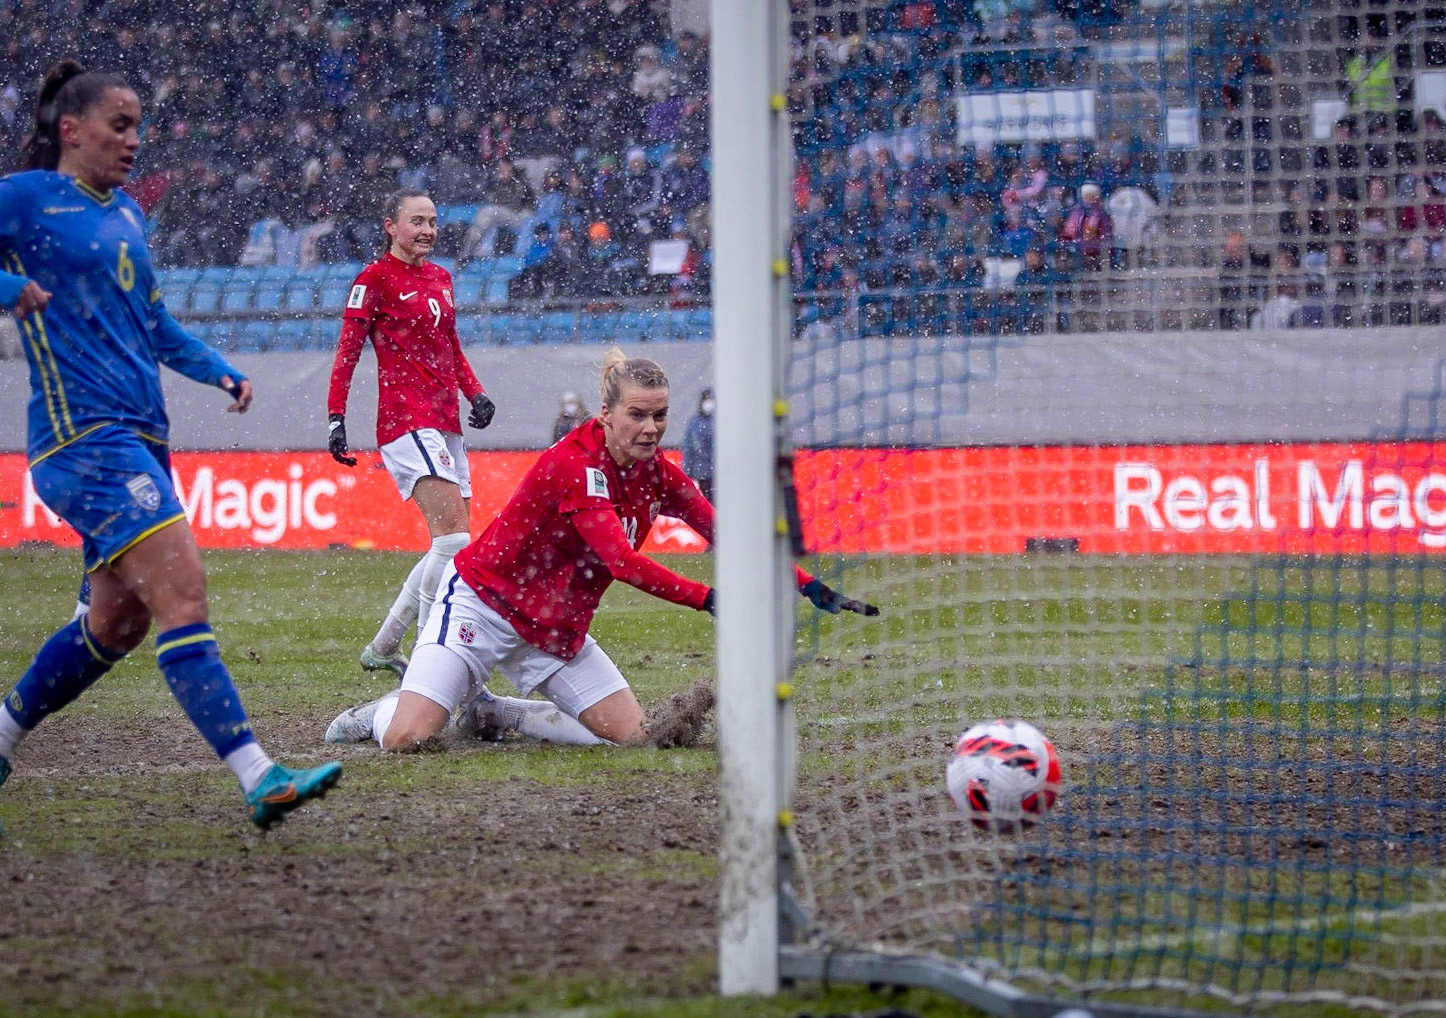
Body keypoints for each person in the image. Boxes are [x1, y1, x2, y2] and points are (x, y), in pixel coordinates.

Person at [0, 59, 342, 831]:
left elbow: (155, 326)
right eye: (119, 126)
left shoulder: (127, 215)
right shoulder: (25, 201)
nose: (134, 141)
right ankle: (260, 775)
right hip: (82, 435)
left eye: (139, 127)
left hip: (141, 439)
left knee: (116, 625)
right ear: (71, 130)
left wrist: (219, 370)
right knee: (184, 588)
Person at [325, 350, 878, 751]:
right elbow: (622, 562)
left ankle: (500, 715)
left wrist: (809, 586)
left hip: (555, 628)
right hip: (483, 606)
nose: (651, 427)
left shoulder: (660, 474)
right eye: (637, 415)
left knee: (641, 740)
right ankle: (377, 713)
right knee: (409, 739)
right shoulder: (577, 465)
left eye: (659, 415)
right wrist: (711, 600)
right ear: (606, 414)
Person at [326, 189, 497, 678]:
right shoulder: (374, 279)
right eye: (416, 221)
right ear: (391, 226)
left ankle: (384, 647)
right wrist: (336, 416)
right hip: (406, 420)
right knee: (454, 542)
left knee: (452, 544)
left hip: (445, 421)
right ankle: (428, 661)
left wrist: (475, 393)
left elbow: (451, 346)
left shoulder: (441, 278)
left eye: (433, 222)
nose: (427, 230)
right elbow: (348, 352)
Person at [681, 387, 715, 502]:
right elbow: (689, 447)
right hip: (703, 473)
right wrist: (687, 470)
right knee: (707, 499)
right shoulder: (695, 423)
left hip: (717, 472)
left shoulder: (718, 422)